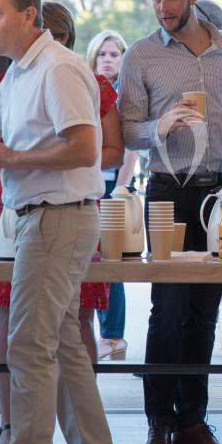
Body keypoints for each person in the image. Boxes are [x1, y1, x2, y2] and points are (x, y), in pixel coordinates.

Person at [0, 0, 115, 444]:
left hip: (58, 216)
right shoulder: (19, 73)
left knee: (28, 343)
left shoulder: (59, 68)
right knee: (64, 342)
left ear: (30, 15)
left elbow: (84, 149)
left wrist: (12, 160)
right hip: (37, 216)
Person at [117, 0, 222, 444]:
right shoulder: (142, 55)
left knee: (204, 313)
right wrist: (160, 125)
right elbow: (128, 131)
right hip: (170, 190)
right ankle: (158, 424)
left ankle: (193, 422)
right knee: (168, 311)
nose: (162, 8)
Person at [86, 28, 136, 361]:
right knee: (94, 260)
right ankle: (105, 334)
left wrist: (120, 187)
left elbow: (128, 150)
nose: (107, 59)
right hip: (88, 182)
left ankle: (113, 335)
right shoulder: (86, 86)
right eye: (102, 53)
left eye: (114, 54)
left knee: (110, 260)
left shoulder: (122, 93)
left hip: (111, 184)